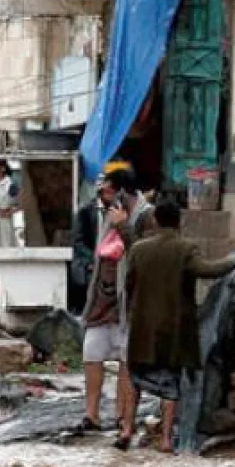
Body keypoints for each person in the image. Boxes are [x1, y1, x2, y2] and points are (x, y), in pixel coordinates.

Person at [124, 198, 235, 452]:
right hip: (173, 329)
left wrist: (134, 314)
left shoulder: (139, 250)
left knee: (135, 379)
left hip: (142, 328)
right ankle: (165, 439)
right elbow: (207, 270)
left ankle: (127, 429)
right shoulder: (185, 248)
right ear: (179, 221)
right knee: (170, 385)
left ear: (155, 220)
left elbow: (129, 286)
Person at [79, 165, 154, 439]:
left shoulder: (147, 217)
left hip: (129, 304)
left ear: (122, 192)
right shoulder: (107, 216)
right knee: (92, 353)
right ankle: (92, 415)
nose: (104, 198)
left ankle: (123, 416)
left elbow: (143, 256)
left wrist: (124, 226)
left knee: (125, 360)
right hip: (102, 299)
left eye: (109, 192)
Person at [0, 157, 20, 249]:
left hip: (3, 221)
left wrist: (10, 212)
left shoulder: (10, 185)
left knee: (5, 246)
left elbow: (21, 203)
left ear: (2, 168)